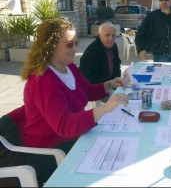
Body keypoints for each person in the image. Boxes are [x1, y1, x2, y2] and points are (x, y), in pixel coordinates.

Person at [9, 19, 128, 184]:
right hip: (46, 149)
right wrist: (104, 109)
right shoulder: (42, 80)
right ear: (51, 46)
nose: (75, 48)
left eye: (76, 43)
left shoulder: (69, 67)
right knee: (108, 158)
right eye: (69, 44)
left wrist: (108, 84)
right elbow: (64, 125)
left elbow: (86, 91)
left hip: (69, 138)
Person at [79, 22, 121, 90]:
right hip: (95, 89)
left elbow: (117, 64)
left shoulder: (114, 46)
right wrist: (109, 83)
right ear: (100, 35)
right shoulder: (92, 51)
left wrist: (117, 78)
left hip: (110, 86)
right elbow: (87, 76)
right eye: (107, 35)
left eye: (113, 35)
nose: (111, 39)